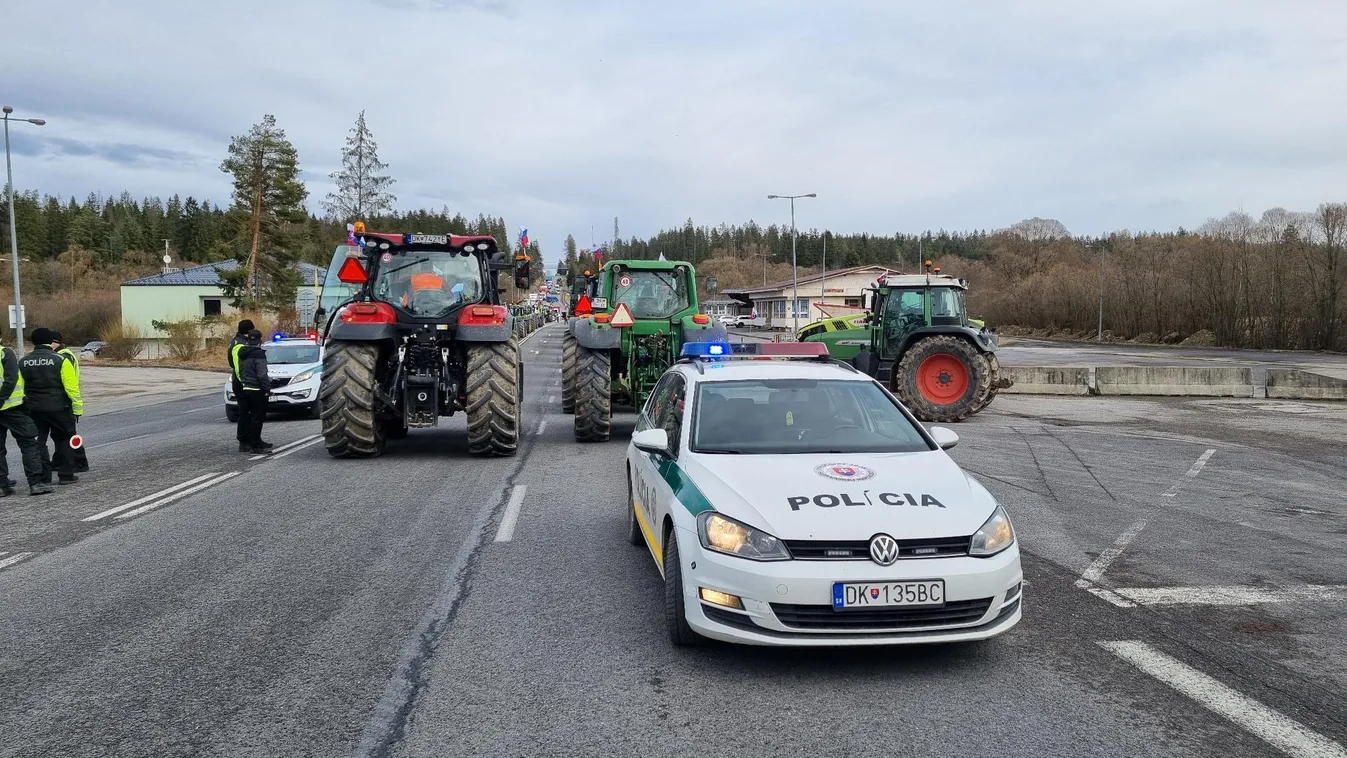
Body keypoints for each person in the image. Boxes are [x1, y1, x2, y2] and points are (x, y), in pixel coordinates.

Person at [19, 328, 81, 487]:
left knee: (38, 442)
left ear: (33, 342)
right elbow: (71, 387)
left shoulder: (24, 362)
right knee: (64, 439)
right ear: (50, 341)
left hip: (34, 409)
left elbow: (20, 387)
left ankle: (44, 477)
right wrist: (77, 408)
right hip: (59, 407)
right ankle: (66, 475)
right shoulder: (61, 360)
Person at [0, 343, 50, 496]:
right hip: (11, 407)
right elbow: (11, 379)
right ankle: (35, 483)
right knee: (28, 442)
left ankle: (2, 486)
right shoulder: (4, 353)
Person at [51, 331, 89, 473]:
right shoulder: (61, 355)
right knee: (60, 434)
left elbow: (70, 383)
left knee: (69, 434)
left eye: (52, 342)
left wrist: (76, 404)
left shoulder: (64, 356)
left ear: (57, 342)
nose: (50, 345)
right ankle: (60, 460)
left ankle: (80, 461)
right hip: (62, 401)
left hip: (66, 401)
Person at [236, 329, 273, 454]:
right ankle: (256, 446)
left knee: (249, 416)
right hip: (257, 389)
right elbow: (262, 374)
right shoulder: (259, 354)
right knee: (258, 417)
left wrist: (245, 382)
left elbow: (240, 371)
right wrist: (267, 388)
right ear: (260, 339)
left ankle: (253, 442)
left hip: (246, 387)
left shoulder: (242, 353)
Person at [228, 319, 254, 450]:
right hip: (241, 383)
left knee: (247, 412)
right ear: (249, 330)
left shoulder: (238, 341)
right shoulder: (240, 344)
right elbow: (238, 367)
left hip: (240, 381)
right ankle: (244, 440)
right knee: (245, 412)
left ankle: (249, 439)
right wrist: (246, 384)